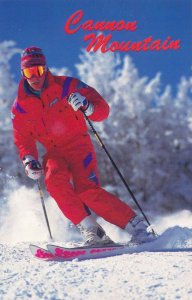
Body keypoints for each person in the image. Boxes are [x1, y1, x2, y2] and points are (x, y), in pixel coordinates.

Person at [11, 46, 154, 246]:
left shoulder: (68, 85)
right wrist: (29, 159)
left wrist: (88, 105)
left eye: (39, 70)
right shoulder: (20, 106)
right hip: (54, 152)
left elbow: (102, 110)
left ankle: (138, 228)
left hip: (78, 145)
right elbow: (22, 137)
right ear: (23, 73)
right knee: (53, 182)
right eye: (29, 72)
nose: (35, 76)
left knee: (86, 189)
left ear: (46, 68)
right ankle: (94, 233)